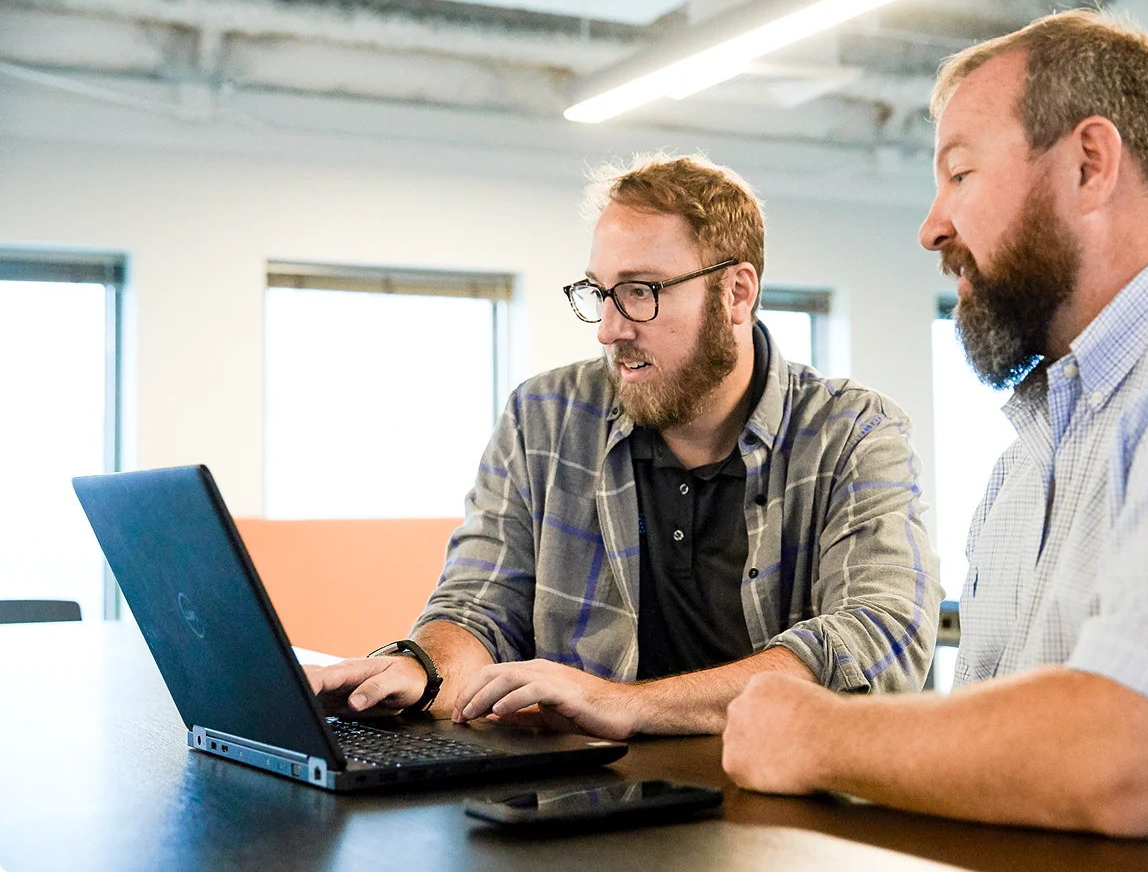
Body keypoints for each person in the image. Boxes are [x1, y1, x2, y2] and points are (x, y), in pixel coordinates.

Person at [721, 11, 1148, 856]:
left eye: (960, 172)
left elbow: (1134, 755)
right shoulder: (1039, 445)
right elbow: (1013, 761)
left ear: (1089, 164)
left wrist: (813, 735)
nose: (931, 226)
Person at [307, 153, 940, 739]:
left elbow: (879, 638)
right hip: (589, 805)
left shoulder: (854, 431)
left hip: (780, 815)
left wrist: (627, 704)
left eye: (641, 291)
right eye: (599, 293)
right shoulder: (545, 418)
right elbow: (480, 604)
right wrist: (423, 671)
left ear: (737, 293)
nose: (610, 329)